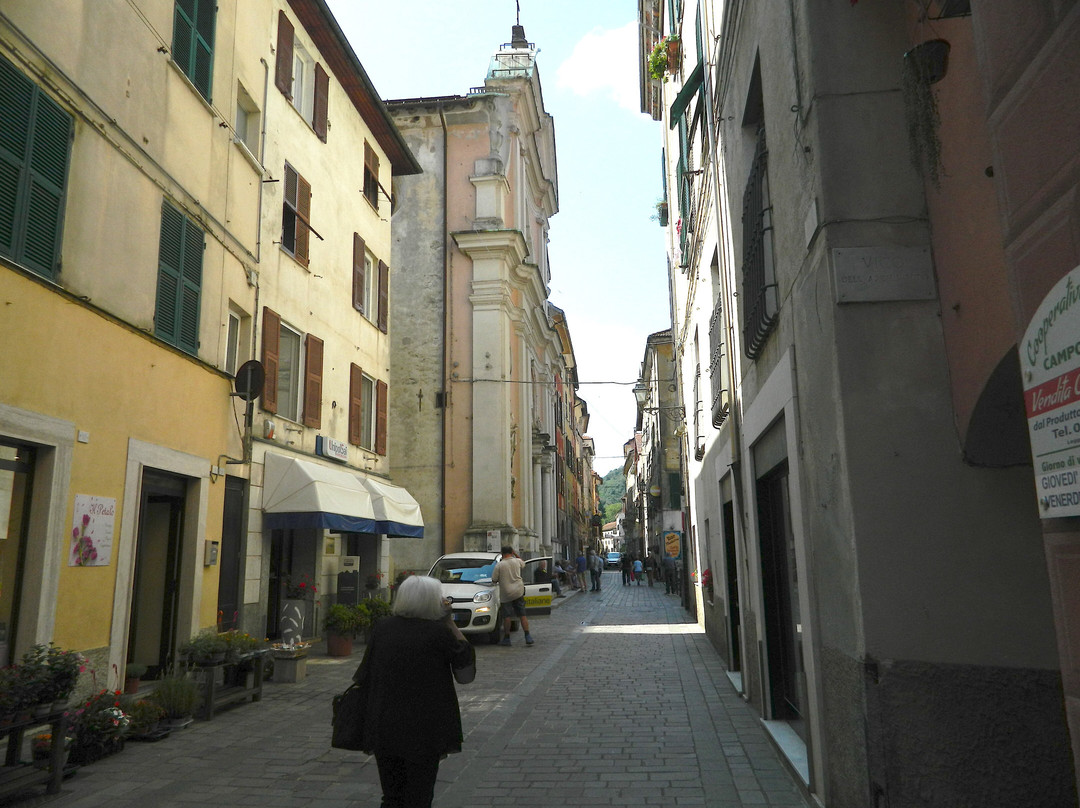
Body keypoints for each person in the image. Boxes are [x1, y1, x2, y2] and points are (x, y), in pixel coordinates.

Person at [350, 575, 475, 808]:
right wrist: (450, 622)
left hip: (384, 722)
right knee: (419, 796)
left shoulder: (383, 628)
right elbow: (465, 671)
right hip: (424, 727)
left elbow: (364, 674)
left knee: (391, 796)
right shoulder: (438, 633)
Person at [490, 545, 534, 646]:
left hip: (506, 593)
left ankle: (507, 638)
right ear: (511, 552)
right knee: (522, 615)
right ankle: (527, 636)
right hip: (518, 590)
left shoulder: (499, 565)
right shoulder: (517, 561)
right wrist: (515, 554)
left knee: (507, 616)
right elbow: (523, 563)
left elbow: (494, 579)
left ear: (502, 553)